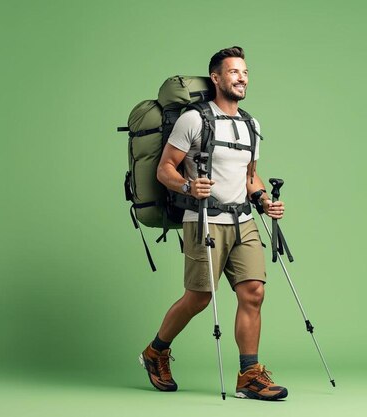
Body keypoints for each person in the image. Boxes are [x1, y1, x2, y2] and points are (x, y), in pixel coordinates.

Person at [139, 46, 288, 401]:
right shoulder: (194, 119)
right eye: (234, 72)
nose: (242, 78)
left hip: (244, 220)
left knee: (254, 292)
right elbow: (165, 170)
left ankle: (249, 375)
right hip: (204, 219)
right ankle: (155, 351)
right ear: (217, 78)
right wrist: (189, 185)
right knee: (199, 298)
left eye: (246, 72)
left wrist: (264, 200)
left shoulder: (251, 123)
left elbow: (250, 175)